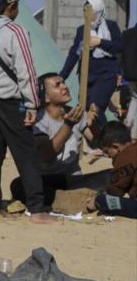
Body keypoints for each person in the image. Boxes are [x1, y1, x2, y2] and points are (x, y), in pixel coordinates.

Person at [0, 0, 53, 223]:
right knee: (25, 153)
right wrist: (32, 104)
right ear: (12, 6)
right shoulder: (15, 32)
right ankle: (37, 209)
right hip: (11, 101)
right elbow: (26, 71)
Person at [9, 72, 108, 207]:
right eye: (57, 85)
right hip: (46, 179)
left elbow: (100, 144)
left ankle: (67, 199)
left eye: (63, 83)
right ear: (46, 97)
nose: (64, 87)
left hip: (72, 180)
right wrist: (68, 125)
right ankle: (71, 200)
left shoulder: (76, 113)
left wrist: (93, 124)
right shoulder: (37, 120)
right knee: (18, 185)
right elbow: (47, 155)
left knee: (110, 175)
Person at [60, 0, 123, 129]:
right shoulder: (82, 30)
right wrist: (62, 76)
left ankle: (112, 138)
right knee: (86, 108)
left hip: (106, 75)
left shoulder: (111, 26)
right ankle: (100, 142)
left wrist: (100, 42)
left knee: (96, 107)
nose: (86, 15)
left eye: (90, 11)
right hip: (86, 76)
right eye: (84, 11)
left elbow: (119, 47)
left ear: (98, 11)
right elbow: (74, 54)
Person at [87, 122, 137, 219]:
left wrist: (97, 199)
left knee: (102, 201)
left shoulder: (124, 155)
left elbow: (115, 191)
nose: (109, 157)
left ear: (116, 147)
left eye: (107, 152)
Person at [122, 23, 137, 139]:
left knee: (134, 98)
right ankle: (134, 132)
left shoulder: (126, 34)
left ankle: (127, 123)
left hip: (129, 74)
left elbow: (120, 54)